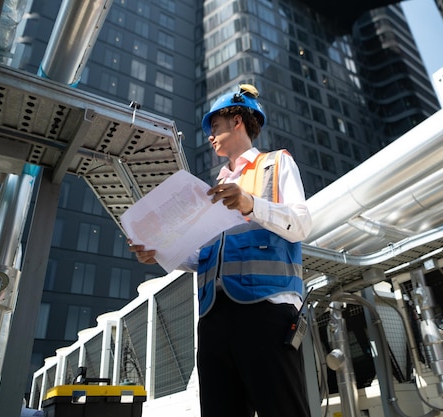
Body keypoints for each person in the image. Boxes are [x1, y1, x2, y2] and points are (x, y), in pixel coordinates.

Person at [129, 84, 313, 417]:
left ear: (237, 121)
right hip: (213, 319)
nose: (210, 137)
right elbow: (205, 257)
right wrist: (157, 252)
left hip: (266, 313)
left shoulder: (276, 165)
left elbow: (301, 224)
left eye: (214, 127)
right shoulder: (211, 189)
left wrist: (251, 204)